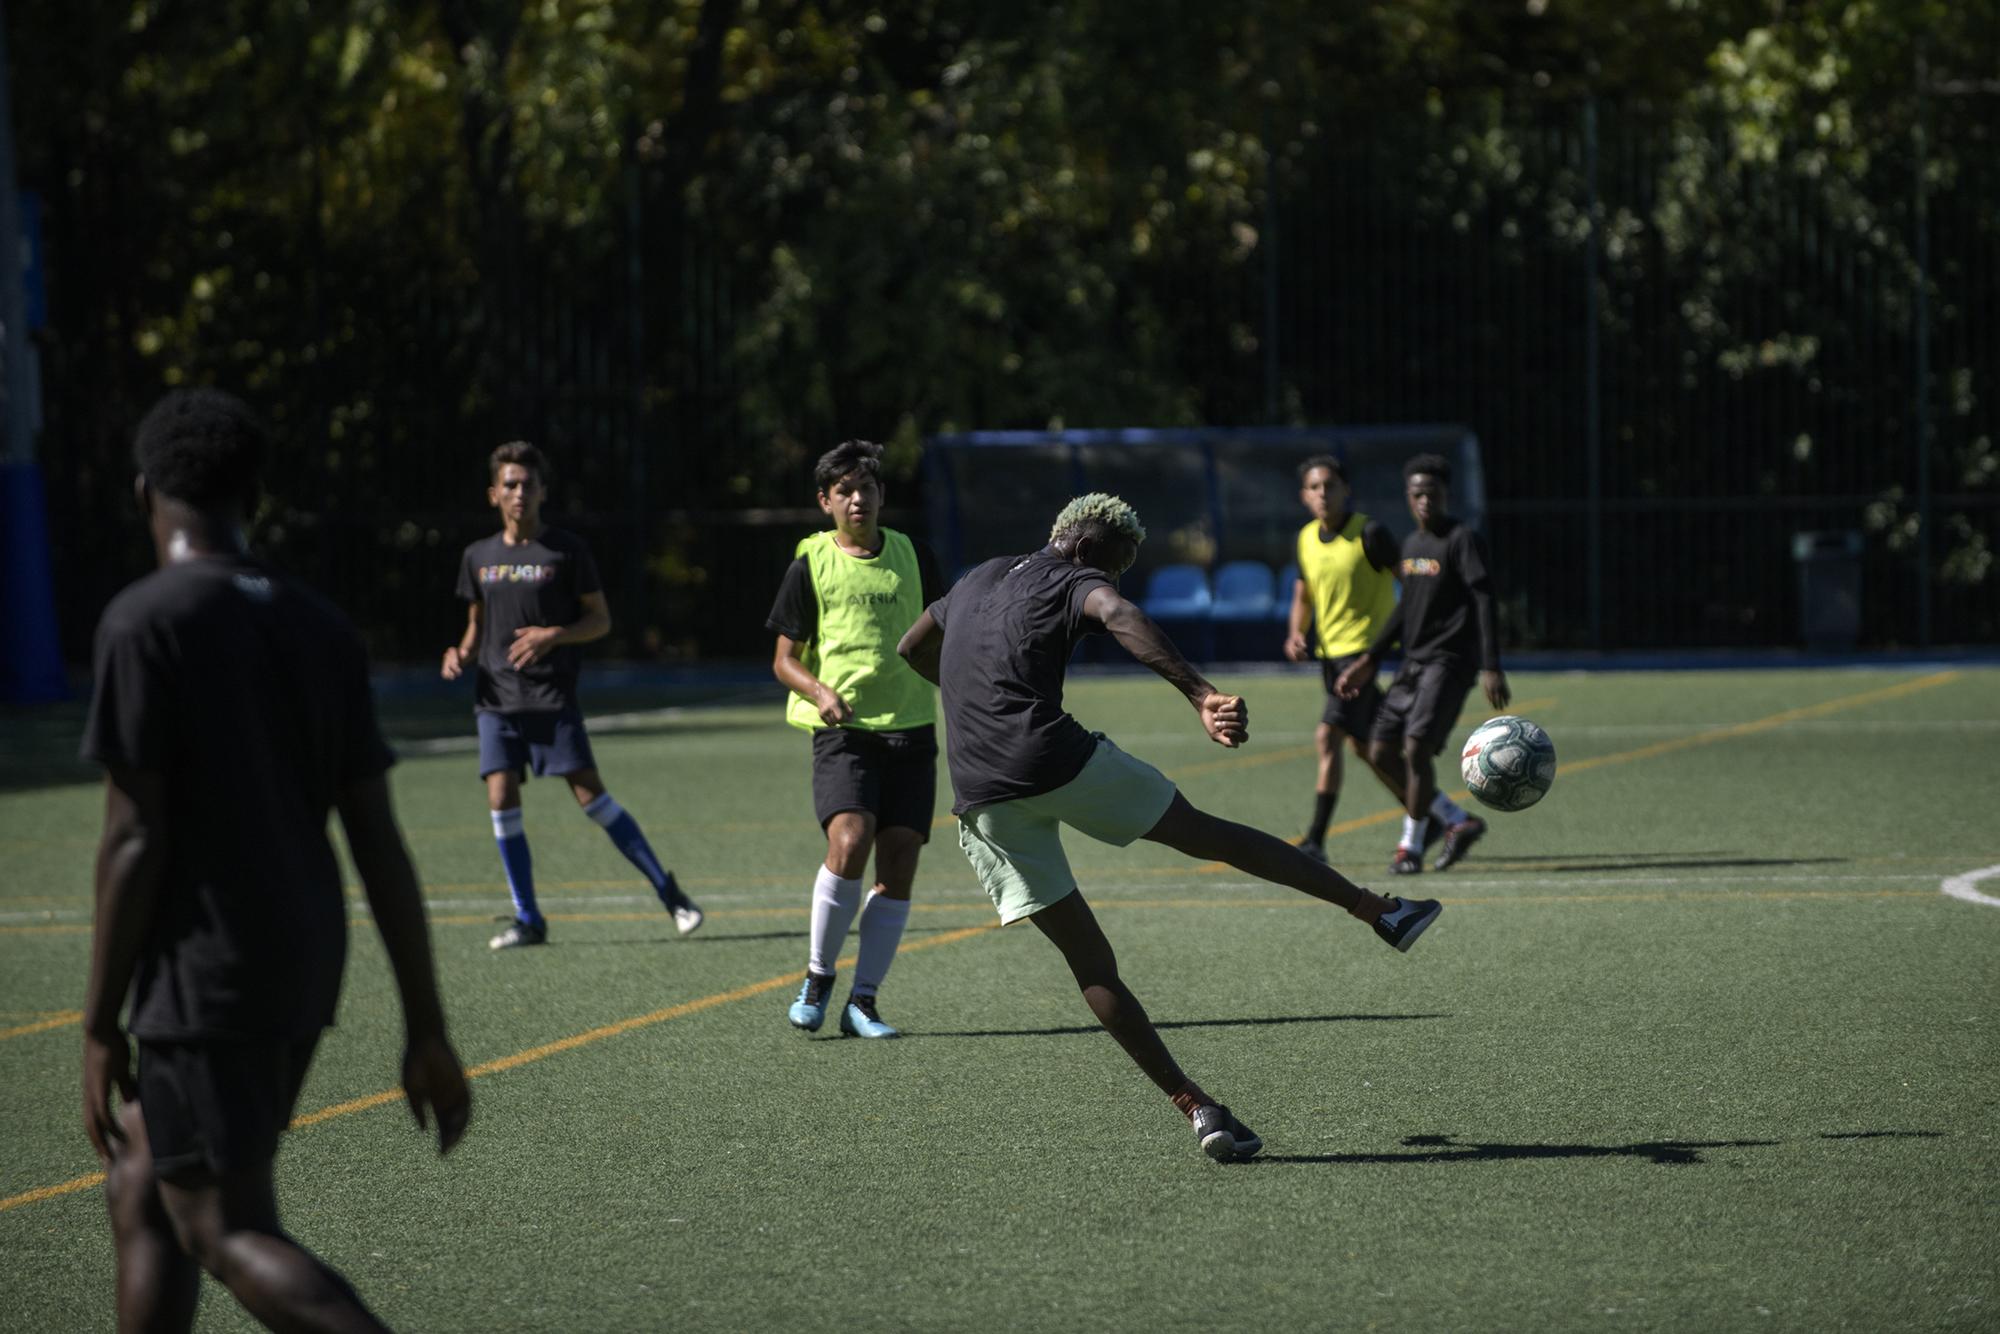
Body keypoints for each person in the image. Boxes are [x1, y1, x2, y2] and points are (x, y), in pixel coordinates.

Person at [81, 388, 471, 1333]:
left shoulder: (145, 621)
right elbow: (376, 839)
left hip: (205, 970)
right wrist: (424, 1024)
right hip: (302, 954)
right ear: (256, 494)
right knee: (144, 1177)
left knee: (222, 1225)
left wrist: (98, 1021)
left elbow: (135, 837)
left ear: (145, 494)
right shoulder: (317, 624)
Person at [897, 493, 1441, 1163]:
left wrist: (967, 695)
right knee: (1212, 836)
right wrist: (1201, 693)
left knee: (1090, 964)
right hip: (1049, 754)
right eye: (1118, 564)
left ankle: (1199, 1108)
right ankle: (1378, 911)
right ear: (1088, 549)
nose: (1115, 579)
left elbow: (913, 646)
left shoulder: (977, 576)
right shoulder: (1077, 577)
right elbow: (1119, 614)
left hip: (980, 794)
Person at [442, 441, 703, 949]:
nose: (520, 493)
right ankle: (528, 917)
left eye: (529, 484)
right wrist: (460, 652)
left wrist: (553, 635)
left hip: (550, 698)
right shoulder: (478, 556)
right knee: (500, 794)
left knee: (591, 797)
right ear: (493, 494)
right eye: (510, 485)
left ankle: (670, 893)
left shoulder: (565, 550)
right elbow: (475, 625)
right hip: (495, 700)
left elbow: (600, 620)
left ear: (542, 491)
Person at [765, 440, 945, 1038]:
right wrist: (820, 692)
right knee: (851, 835)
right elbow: (784, 660)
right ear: (825, 502)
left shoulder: (915, 556)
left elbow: (950, 635)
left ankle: (863, 1002)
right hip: (843, 733)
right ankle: (818, 978)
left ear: (881, 496)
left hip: (912, 728)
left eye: (865, 488)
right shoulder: (810, 563)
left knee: (899, 861)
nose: (857, 499)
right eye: (843, 490)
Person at [1284, 455, 1487, 869]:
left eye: (1331, 485)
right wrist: (1296, 632)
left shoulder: (1370, 533)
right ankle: (1447, 817)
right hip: (1330, 657)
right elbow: (1303, 590)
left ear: (1346, 490)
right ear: (1304, 496)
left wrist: (1399, 640)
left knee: (1329, 737)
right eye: (1315, 487)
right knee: (1370, 750)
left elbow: (1413, 583)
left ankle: (1316, 841)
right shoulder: (1305, 538)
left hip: (1360, 655)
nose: (1324, 494)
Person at [1337, 454, 1511, 875]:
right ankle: (1456, 820)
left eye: (1432, 493)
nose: (1425, 501)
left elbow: (1484, 599)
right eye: (1417, 494)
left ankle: (1409, 847)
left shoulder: (1461, 540)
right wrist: (1368, 660)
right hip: (1412, 665)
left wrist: (1491, 664)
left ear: (1445, 495)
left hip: (1449, 663)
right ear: (1408, 497)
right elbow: (1404, 611)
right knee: (1379, 750)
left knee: (1415, 747)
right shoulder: (1412, 547)